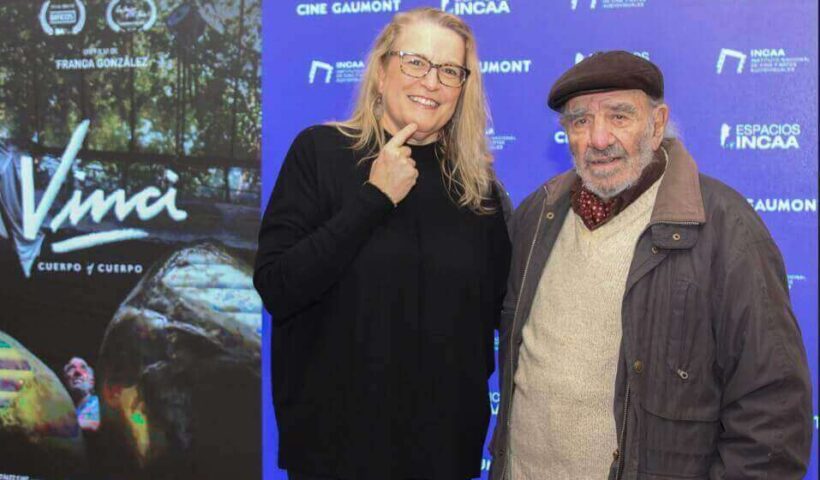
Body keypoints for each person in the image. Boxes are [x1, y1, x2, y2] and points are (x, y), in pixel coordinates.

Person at [489, 51, 812, 479]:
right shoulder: (537, 216)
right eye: (581, 121)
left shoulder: (725, 228)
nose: (599, 138)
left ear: (657, 124)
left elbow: (773, 411)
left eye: (619, 116)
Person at [254, 7, 510, 480]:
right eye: (416, 62)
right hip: (334, 455)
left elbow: (504, 316)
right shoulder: (320, 153)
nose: (431, 81)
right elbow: (278, 286)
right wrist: (374, 198)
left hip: (444, 456)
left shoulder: (479, 191)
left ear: (462, 88)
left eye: (449, 70)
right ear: (380, 71)